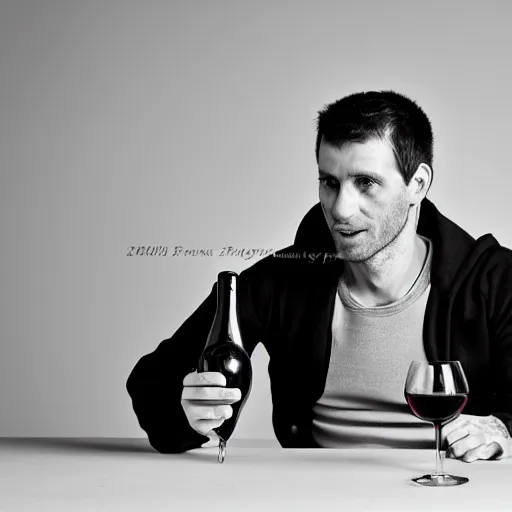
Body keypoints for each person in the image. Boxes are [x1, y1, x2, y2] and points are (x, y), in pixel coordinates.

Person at [126, 90, 512, 462]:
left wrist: (504, 430)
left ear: (418, 184)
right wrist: (187, 414)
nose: (341, 209)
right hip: (317, 499)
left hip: (452, 499)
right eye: (330, 182)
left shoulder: (495, 281)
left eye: (366, 183)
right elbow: (150, 384)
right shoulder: (279, 281)